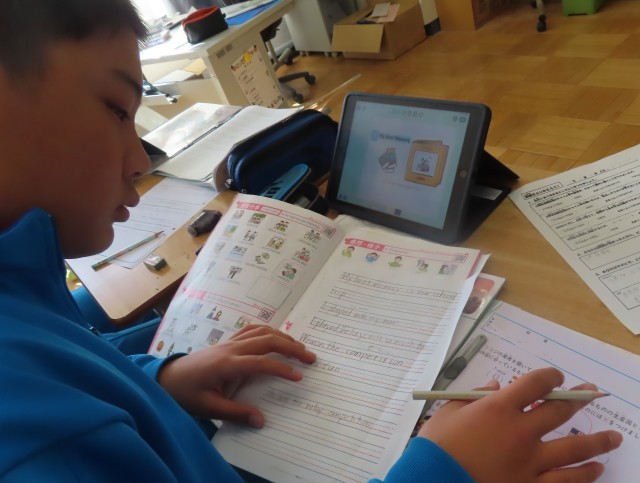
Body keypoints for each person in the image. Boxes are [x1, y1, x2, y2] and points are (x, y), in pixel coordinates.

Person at [0, 1, 622, 481]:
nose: (139, 159)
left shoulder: (23, 298)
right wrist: (444, 472)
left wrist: (155, 379)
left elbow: (75, 364)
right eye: (116, 109)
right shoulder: (38, 448)